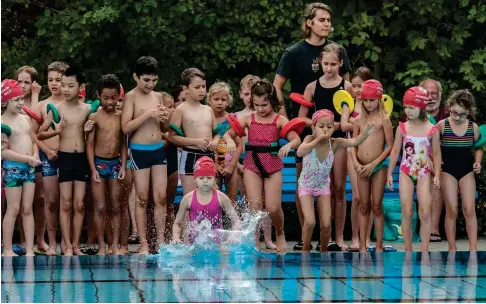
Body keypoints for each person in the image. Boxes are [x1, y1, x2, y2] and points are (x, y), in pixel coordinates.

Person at [274, 2, 351, 251]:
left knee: (337, 185)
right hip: (306, 128)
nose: (327, 23)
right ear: (309, 22)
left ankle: (336, 238)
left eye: (329, 19)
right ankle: (304, 236)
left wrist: (345, 123)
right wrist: (288, 121)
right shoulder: (293, 53)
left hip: (336, 129)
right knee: (304, 182)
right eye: (321, 19)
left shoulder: (338, 51)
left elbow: (347, 94)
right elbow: (277, 87)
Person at [223, 79, 301, 253]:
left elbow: (297, 139)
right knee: (254, 205)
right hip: (252, 164)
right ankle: (254, 238)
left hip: (273, 165)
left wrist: (288, 145)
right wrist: (229, 141)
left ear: (272, 102)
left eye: (264, 105)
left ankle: (280, 233)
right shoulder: (248, 119)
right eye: (256, 105)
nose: (260, 109)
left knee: (273, 206)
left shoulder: (279, 120)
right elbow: (228, 134)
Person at [300, 43, 354, 251]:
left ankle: (337, 237)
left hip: (337, 140)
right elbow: (301, 119)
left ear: (341, 63)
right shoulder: (312, 87)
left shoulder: (346, 87)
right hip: (316, 142)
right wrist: (321, 127)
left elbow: (350, 121)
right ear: (320, 63)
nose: (329, 68)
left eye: (333, 64)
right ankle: (318, 235)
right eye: (325, 64)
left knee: (338, 187)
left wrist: (333, 127)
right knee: (316, 185)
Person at [297, 109, 375, 252]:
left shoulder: (335, 143)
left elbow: (354, 141)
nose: (325, 130)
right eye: (321, 127)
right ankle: (305, 250)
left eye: (329, 126)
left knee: (326, 225)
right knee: (310, 221)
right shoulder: (309, 139)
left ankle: (323, 252)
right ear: (314, 128)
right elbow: (300, 152)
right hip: (306, 187)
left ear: (334, 128)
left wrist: (366, 133)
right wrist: (318, 140)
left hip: (322, 187)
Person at [121, 56, 170, 254]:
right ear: (136, 77)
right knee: (142, 198)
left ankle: (159, 241)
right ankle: (143, 243)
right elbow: (125, 127)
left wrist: (165, 118)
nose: (151, 84)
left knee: (160, 197)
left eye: (154, 80)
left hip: (158, 149)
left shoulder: (158, 97)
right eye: (146, 80)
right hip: (139, 151)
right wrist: (147, 115)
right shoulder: (130, 97)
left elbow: (164, 127)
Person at [387, 87, 441, 252]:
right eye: (405, 107)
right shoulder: (403, 128)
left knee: (425, 212)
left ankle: (424, 251)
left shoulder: (432, 130)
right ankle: (408, 250)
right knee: (407, 211)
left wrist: (437, 174)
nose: (407, 111)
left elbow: (437, 154)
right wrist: (389, 173)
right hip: (405, 171)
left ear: (422, 107)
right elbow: (396, 151)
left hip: (424, 172)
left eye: (411, 107)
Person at [86, 74, 127, 255]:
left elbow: (124, 144)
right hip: (99, 164)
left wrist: (124, 166)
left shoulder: (121, 117)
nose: (110, 102)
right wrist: (93, 168)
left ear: (119, 96)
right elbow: (89, 144)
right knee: (100, 206)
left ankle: (115, 244)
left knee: (116, 205)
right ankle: (102, 245)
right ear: (98, 96)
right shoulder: (94, 116)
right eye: (105, 98)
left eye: (114, 98)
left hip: (115, 164)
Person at [350, 80, 393, 252]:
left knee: (376, 205)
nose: (368, 104)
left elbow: (390, 146)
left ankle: (379, 245)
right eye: (365, 101)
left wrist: (375, 163)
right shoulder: (358, 120)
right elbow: (353, 143)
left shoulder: (385, 120)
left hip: (378, 167)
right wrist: (355, 163)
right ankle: (362, 245)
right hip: (361, 167)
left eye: (372, 100)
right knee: (364, 205)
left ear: (379, 100)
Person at [436, 90, 481, 251]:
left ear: (469, 112)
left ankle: (474, 247)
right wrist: (435, 159)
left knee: (469, 208)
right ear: (450, 106)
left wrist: (477, 162)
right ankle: (452, 248)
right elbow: (431, 145)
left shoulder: (472, 127)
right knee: (452, 208)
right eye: (454, 112)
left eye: (462, 115)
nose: (456, 117)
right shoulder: (442, 125)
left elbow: (478, 147)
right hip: (447, 170)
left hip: (466, 170)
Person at [33, 61, 69, 255]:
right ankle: (52, 242)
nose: (54, 83)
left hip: (68, 156)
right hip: (49, 156)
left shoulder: (71, 103)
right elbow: (34, 134)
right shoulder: (42, 105)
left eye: (58, 80)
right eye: (50, 80)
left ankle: (67, 241)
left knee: (67, 202)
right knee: (51, 201)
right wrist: (46, 151)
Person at [1, 79, 41, 256]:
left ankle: (30, 248)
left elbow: (33, 141)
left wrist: (35, 154)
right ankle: (8, 249)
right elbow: (3, 152)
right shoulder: (3, 123)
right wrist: (27, 158)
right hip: (13, 169)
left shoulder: (25, 119)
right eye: (16, 100)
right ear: (5, 101)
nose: (21, 103)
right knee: (13, 209)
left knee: (27, 208)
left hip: (29, 169)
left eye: (22, 98)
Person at [236, 75, 276, 250]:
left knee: (267, 203)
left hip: (266, 162)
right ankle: (254, 239)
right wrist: (235, 164)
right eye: (246, 93)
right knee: (252, 203)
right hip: (246, 163)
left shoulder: (269, 116)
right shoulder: (240, 116)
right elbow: (234, 141)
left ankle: (267, 238)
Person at [169, 68, 220, 195]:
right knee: (190, 198)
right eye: (197, 87)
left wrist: (215, 142)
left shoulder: (208, 109)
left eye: (204, 86)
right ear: (186, 89)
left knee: (210, 197)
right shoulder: (181, 110)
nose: (202, 90)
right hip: (190, 156)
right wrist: (196, 141)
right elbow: (172, 136)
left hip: (209, 156)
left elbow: (217, 132)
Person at [172, 157, 241, 245]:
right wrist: (176, 237)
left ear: (214, 178)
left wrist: (232, 236)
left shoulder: (221, 197)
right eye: (201, 178)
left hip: (216, 245)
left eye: (209, 178)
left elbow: (236, 220)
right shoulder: (188, 199)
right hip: (195, 246)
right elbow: (177, 223)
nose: (205, 181)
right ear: (195, 179)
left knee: (224, 251)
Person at [15, 66, 47, 254]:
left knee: (41, 199)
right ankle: (24, 240)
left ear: (34, 84)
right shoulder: (12, 104)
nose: (23, 85)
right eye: (20, 81)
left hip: (36, 154)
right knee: (20, 202)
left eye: (27, 82)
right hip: (19, 156)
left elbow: (34, 124)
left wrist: (35, 96)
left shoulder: (40, 104)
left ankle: (40, 240)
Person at [347, 66, 374, 251]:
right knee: (357, 196)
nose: (357, 90)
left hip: (372, 153)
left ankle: (366, 238)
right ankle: (355, 237)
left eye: (361, 86)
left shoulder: (375, 106)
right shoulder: (348, 105)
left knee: (368, 198)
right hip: (353, 151)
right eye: (354, 86)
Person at [421, 79, 447, 243]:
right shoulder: (413, 114)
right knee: (431, 176)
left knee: (438, 178)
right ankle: (426, 227)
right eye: (426, 94)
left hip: (442, 164)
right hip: (418, 161)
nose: (430, 97)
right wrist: (426, 159)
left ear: (439, 96)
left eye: (434, 94)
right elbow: (407, 145)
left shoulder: (450, 115)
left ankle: (433, 228)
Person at [207, 82, 242, 206]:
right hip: (212, 165)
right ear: (209, 100)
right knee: (213, 200)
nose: (220, 102)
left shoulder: (231, 120)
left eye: (223, 99)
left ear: (228, 101)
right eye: (216, 99)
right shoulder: (206, 118)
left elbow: (240, 145)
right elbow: (205, 144)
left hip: (230, 165)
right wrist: (214, 164)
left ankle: (234, 225)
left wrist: (232, 166)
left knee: (231, 201)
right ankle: (216, 225)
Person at [160, 91, 178, 243]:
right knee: (155, 203)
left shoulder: (174, 124)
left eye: (173, 106)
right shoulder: (151, 125)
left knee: (169, 204)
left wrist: (165, 136)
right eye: (169, 107)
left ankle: (170, 237)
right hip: (156, 162)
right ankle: (154, 238)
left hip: (171, 164)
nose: (173, 110)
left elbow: (175, 140)